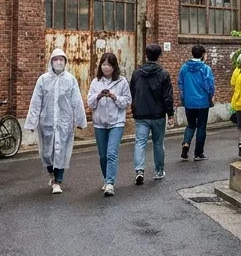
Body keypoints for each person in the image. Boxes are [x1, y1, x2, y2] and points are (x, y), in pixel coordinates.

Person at [25, 49, 87, 195]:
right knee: (47, 153)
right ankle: (51, 174)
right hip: (46, 122)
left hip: (64, 122)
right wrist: (32, 123)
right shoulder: (43, 79)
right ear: (51, 62)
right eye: (56, 59)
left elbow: (76, 101)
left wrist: (80, 120)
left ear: (65, 62)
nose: (59, 62)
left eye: (62, 59)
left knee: (61, 151)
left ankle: (57, 181)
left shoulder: (70, 80)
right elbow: (36, 102)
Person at [87, 52, 131, 197]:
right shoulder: (96, 82)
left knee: (112, 153)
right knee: (103, 155)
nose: (106, 68)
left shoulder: (122, 81)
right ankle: (106, 179)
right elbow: (90, 103)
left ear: (114, 67)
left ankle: (110, 183)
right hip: (99, 123)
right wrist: (99, 95)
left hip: (116, 122)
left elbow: (127, 102)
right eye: (104, 64)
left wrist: (114, 96)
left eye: (109, 65)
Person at [130, 43, 174, 184]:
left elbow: (132, 91)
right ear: (159, 56)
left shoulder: (137, 73)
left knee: (140, 143)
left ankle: (139, 170)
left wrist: (134, 108)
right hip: (158, 114)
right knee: (158, 143)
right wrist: (170, 114)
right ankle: (159, 170)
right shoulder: (163, 74)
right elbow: (167, 96)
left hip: (141, 113)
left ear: (146, 55)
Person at [177, 44, 215, 161]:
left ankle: (186, 144)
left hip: (189, 102)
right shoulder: (205, 69)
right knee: (201, 127)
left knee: (191, 125)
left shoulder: (184, 68)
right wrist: (211, 97)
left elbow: (181, 85)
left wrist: (183, 99)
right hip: (202, 102)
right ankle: (198, 153)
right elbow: (210, 86)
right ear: (203, 55)